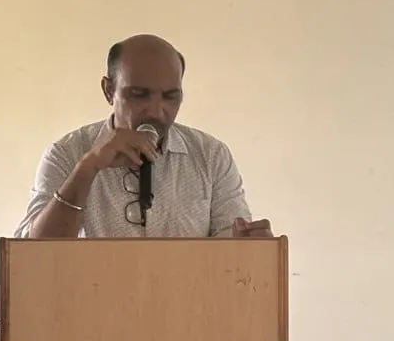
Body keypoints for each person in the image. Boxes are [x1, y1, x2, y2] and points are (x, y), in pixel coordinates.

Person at [15, 34, 273, 239]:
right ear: (108, 91)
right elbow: (32, 255)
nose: (156, 111)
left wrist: (253, 248)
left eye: (170, 97)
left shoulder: (211, 156)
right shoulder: (67, 154)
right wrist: (88, 167)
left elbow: (234, 252)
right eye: (139, 95)